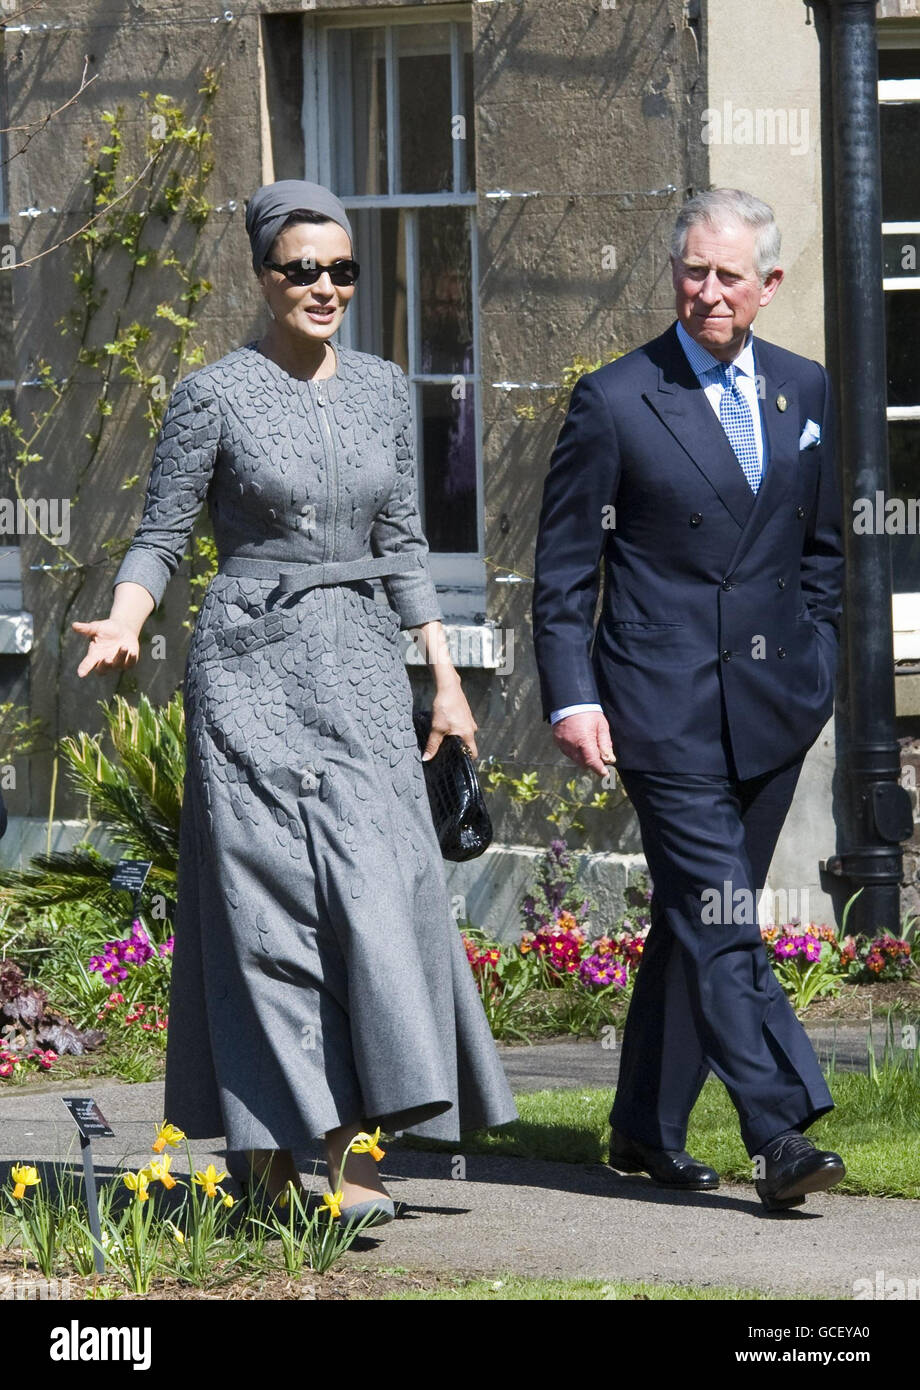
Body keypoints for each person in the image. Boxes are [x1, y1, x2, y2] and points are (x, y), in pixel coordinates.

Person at [73, 178, 517, 1226]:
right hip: (248, 669)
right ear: (262, 275)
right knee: (266, 917)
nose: (325, 287)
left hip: (362, 670)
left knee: (376, 901)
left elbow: (404, 546)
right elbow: (162, 532)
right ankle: (281, 1165)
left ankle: (354, 1157)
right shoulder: (211, 394)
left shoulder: (380, 387)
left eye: (342, 270)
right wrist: (131, 613)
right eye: (301, 270)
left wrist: (444, 682)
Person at [531, 189, 846, 1212]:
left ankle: (640, 1127)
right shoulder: (615, 398)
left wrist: (820, 662)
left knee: (691, 922)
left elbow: (822, 553)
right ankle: (778, 1128)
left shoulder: (804, 391)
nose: (707, 292)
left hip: (772, 707)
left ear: (768, 285)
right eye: (691, 272)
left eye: (727, 275)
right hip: (656, 708)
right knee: (719, 919)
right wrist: (572, 698)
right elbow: (563, 572)